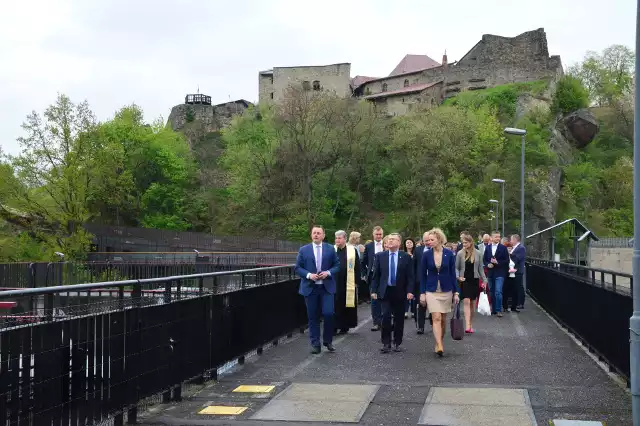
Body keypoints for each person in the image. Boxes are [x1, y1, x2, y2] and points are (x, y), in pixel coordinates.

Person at [295, 225, 341, 354]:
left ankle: (328, 341)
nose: (316, 235)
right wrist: (309, 275)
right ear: (311, 235)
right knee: (313, 317)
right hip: (310, 288)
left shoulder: (330, 249)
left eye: (319, 233)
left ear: (323, 235)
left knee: (329, 313)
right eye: (314, 233)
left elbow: (337, 265)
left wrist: (328, 273)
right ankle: (315, 344)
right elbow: (298, 268)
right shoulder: (304, 250)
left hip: (326, 288)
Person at [371, 233, 414, 353]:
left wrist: (410, 291)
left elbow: (410, 276)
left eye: (393, 239)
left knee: (399, 318)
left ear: (399, 243)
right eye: (389, 239)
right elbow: (376, 276)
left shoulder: (405, 257)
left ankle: (397, 342)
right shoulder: (380, 256)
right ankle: (386, 343)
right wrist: (374, 290)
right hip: (385, 291)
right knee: (385, 316)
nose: (390, 241)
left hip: (400, 291)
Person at [420, 228, 459, 357]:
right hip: (431, 290)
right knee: (435, 317)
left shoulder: (449, 254)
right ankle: (440, 345)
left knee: (442, 319)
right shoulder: (426, 255)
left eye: (432, 239)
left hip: (446, 290)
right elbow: (422, 275)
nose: (429, 242)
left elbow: (453, 274)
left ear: (439, 239)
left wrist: (456, 292)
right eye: (428, 240)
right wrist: (422, 292)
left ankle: (439, 341)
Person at [455, 234, 487, 333]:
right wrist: (458, 276)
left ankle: (470, 323)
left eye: (466, 242)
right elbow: (456, 267)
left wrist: (485, 280)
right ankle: (467, 326)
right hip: (464, 280)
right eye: (463, 242)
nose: (464, 244)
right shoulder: (460, 253)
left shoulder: (478, 253)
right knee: (466, 301)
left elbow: (481, 268)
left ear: (471, 242)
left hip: (474, 280)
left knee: (472, 304)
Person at [334, 230, 360, 334]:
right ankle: (334, 326)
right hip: (335, 281)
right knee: (335, 304)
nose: (337, 240)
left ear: (345, 239)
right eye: (336, 238)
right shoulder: (332, 250)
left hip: (348, 281)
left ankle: (345, 326)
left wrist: (356, 281)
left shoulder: (351, 250)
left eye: (339, 238)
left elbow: (357, 267)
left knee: (346, 304)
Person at [362, 226, 384, 331]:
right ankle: (376, 322)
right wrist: (364, 273)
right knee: (374, 299)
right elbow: (364, 260)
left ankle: (385, 320)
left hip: (385, 276)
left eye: (380, 234)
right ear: (373, 235)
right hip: (372, 276)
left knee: (385, 297)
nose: (379, 236)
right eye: (377, 234)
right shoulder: (369, 246)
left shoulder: (387, 244)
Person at [483, 231, 509, 317]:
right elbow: (485, 259)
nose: (498, 238)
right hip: (490, 272)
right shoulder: (488, 247)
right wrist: (487, 264)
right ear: (492, 237)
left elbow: (506, 261)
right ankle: (493, 309)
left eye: (499, 237)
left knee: (498, 291)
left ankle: (498, 310)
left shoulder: (503, 248)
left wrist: (497, 262)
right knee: (491, 291)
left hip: (500, 272)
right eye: (496, 237)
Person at [413, 232, 431, 334]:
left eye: (430, 240)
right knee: (421, 304)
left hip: (433, 280)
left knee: (433, 304)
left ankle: (434, 322)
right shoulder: (418, 250)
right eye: (426, 240)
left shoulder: (436, 250)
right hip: (421, 281)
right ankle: (421, 326)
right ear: (422, 241)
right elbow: (414, 265)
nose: (428, 242)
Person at [349, 231, 368, 304]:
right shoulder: (350, 247)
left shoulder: (357, 247)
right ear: (355, 238)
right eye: (358, 238)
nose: (359, 239)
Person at [510, 234, 526, 309]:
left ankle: (520, 303)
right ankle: (515, 302)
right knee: (515, 287)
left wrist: (509, 255)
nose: (510, 241)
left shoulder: (521, 248)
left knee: (519, 286)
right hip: (513, 270)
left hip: (518, 270)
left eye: (511, 239)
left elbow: (518, 258)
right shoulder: (515, 248)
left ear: (515, 240)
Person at [403, 238, 416, 319]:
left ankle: (413, 311)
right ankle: (405, 311)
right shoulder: (403, 253)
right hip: (405, 276)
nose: (409, 244)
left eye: (410, 242)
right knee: (406, 294)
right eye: (407, 243)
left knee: (414, 294)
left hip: (414, 275)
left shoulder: (416, 253)